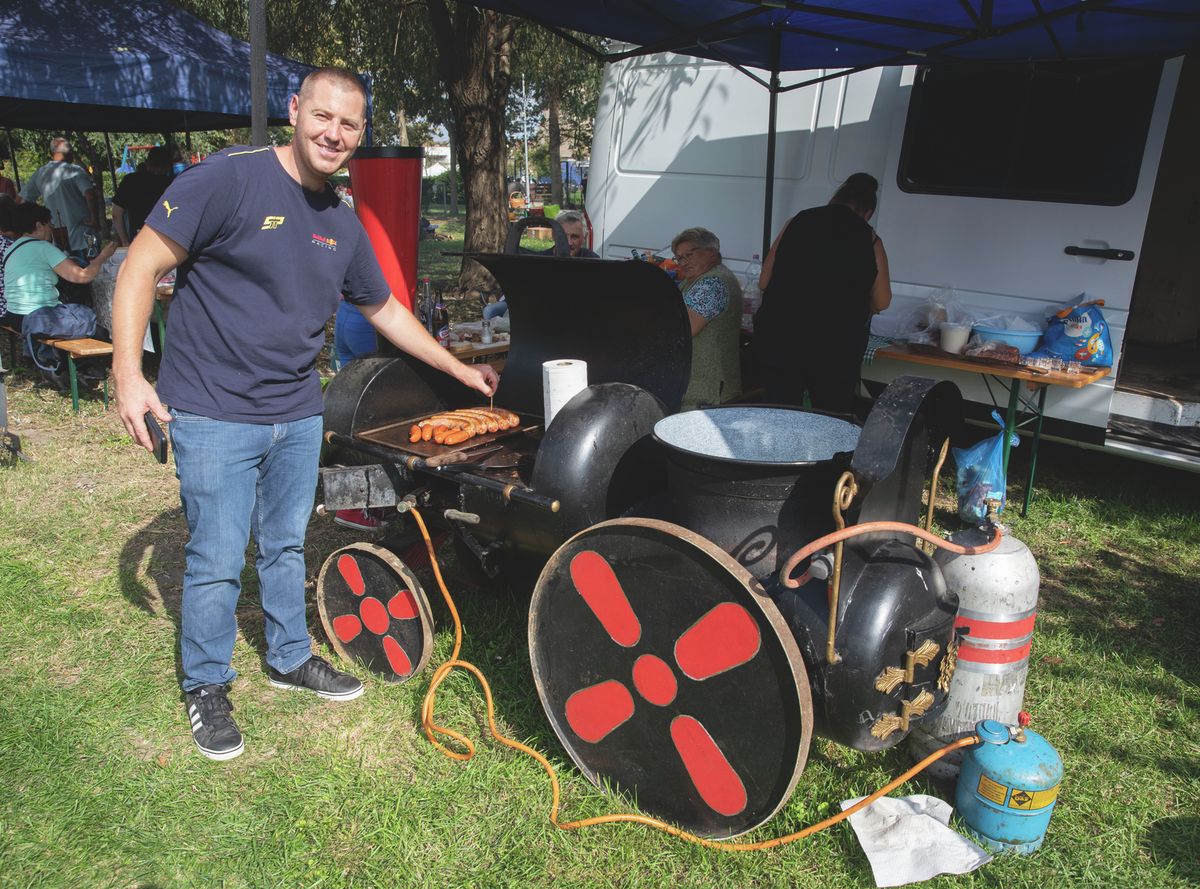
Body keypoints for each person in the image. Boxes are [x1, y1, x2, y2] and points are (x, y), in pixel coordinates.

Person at [111, 67, 498, 762]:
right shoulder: (228, 179)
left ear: (361, 133)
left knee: (287, 544)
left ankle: (289, 657)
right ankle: (206, 683)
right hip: (212, 409)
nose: (334, 133)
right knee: (217, 559)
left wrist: (459, 368)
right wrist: (127, 373)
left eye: (349, 124)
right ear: (294, 110)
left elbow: (385, 310)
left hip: (296, 411)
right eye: (323, 116)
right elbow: (139, 264)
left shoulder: (341, 223)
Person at [753, 172, 892, 414]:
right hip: (835, 349)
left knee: (778, 417)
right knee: (830, 420)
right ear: (868, 212)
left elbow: (764, 282)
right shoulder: (870, 238)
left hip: (781, 340)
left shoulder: (796, 222)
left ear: (834, 199)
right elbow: (882, 300)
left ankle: (779, 451)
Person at [2, 202, 115, 385]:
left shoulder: (12, 249)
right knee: (94, 324)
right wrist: (103, 256)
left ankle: (65, 365)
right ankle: (84, 372)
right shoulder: (43, 248)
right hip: (37, 318)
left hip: (15, 316)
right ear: (39, 225)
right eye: (49, 224)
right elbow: (82, 276)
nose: (51, 228)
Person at [670, 227, 743, 409]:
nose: (683, 262)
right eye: (679, 258)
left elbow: (684, 329)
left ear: (711, 252)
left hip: (708, 393)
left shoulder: (713, 283)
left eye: (689, 255)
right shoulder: (694, 280)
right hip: (701, 389)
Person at [484, 209, 597, 320]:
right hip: (539, 314)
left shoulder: (592, 262)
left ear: (584, 238)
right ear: (553, 236)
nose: (568, 242)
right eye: (563, 236)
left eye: (575, 237)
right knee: (490, 311)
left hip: (577, 316)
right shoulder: (539, 261)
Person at [17, 137, 103, 259]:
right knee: (92, 270)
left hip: (58, 238)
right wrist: (94, 220)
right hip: (83, 235)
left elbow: (22, 201)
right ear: (70, 154)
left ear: (52, 153)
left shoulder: (41, 173)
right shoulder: (75, 170)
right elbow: (89, 194)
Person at [111, 146, 174, 246]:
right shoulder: (169, 183)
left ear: (147, 162)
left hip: (138, 238)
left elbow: (116, 214)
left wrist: (125, 241)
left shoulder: (130, 181)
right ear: (168, 165)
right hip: (166, 239)